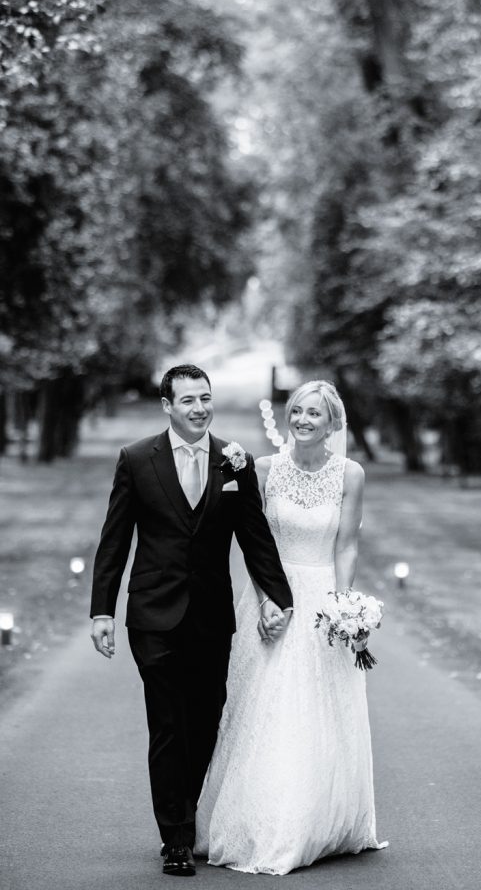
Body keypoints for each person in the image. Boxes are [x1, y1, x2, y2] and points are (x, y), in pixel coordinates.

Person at [89, 364, 293, 878]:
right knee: (167, 725)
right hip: (154, 615)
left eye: (205, 398)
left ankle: (186, 809)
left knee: (204, 722)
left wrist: (280, 597)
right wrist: (101, 610)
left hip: (209, 616)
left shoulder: (234, 461)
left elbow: (255, 536)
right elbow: (115, 540)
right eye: (188, 400)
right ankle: (176, 837)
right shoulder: (137, 460)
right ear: (167, 406)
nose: (200, 408)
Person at [195, 379, 386, 875]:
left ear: (332, 424)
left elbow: (346, 545)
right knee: (264, 709)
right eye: (296, 410)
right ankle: (260, 821)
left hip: (323, 599)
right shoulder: (263, 469)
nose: (301, 420)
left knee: (320, 710)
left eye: (313, 414)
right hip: (271, 596)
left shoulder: (351, 474)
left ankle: (317, 822)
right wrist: (266, 602)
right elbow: (253, 541)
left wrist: (345, 608)